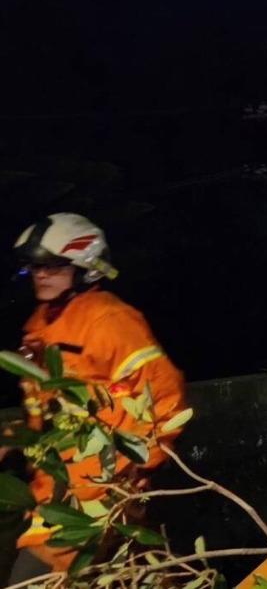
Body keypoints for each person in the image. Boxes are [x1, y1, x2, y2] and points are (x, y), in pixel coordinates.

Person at [7, 214, 187, 580]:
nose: (41, 274)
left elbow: (165, 396)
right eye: (36, 266)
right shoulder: (42, 322)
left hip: (98, 489)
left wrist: (140, 466)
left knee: (34, 578)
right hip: (54, 484)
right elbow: (45, 402)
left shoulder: (110, 320)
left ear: (85, 267)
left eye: (54, 265)